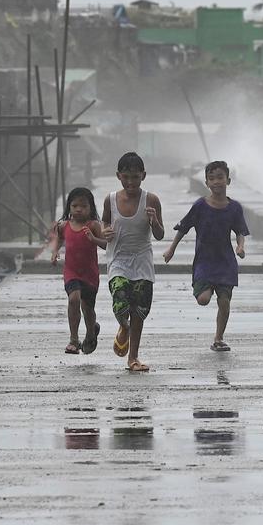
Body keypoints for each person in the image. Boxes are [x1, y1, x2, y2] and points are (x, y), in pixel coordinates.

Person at [163, 160, 248, 352]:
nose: (216, 182)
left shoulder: (234, 208)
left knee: (224, 302)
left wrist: (240, 247)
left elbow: (240, 231)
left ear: (228, 180)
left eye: (220, 177)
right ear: (207, 182)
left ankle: (218, 339)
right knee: (203, 299)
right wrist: (171, 249)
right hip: (204, 261)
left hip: (225, 261)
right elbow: (184, 228)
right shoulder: (200, 205)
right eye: (212, 178)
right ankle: (206, 287)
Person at [102, 152, 164, 372]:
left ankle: (133, 358)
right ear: (118, 175)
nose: (130, 182)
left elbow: (159, 234)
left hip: (142, 262)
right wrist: (105, 231)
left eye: (135, 177)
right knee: (120, 299)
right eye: (126, 177)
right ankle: (122, 326)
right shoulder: (110, 199)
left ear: (143, 176)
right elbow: (104, 222)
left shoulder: (152, 200)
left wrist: (154, 220)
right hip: (118, 260)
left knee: (139, 311)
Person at [50, 187, 107, 355]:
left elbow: (106, 245)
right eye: (74, 205)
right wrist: (55, 253)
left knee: (88, 308)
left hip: (89, 274)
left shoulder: (94, 225)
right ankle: (73, 340)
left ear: (91, 208)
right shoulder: (63, 226)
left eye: (83, 206)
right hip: (71, 272)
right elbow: (59, 239)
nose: (78, 209)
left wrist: (93, 238)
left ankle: (91, 333)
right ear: (69, 207)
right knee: (74, 299)